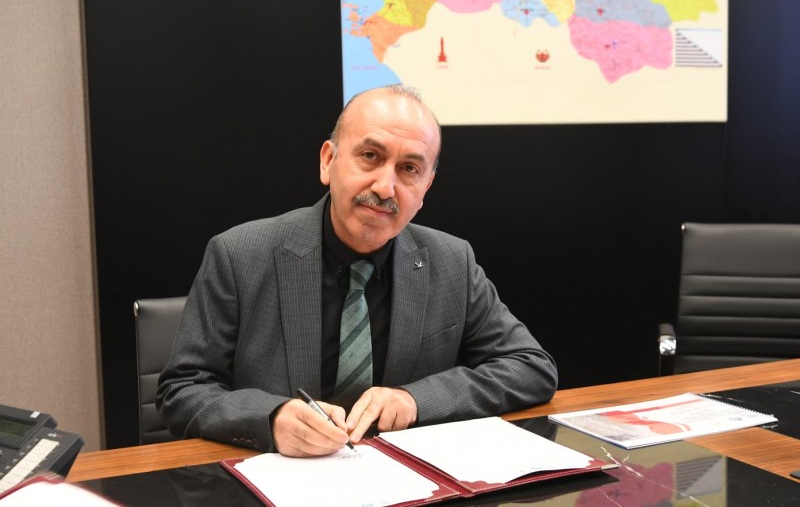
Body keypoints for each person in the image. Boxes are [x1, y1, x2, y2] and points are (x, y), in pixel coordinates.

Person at [156, 84, 557, 457]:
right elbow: (183, 390)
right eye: (370, 157)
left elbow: (530, 367)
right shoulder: (239, 254)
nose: (385, 187)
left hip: (407, 482)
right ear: (328, 161)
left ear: (426, 188)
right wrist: (270, 418)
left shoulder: (452, 261)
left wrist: (415, 400)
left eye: (409, 168)